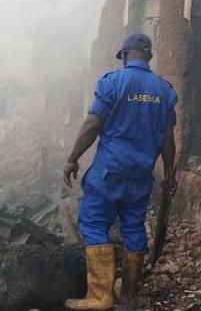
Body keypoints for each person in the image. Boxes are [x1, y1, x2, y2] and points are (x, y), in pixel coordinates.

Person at [63, 33, 178, 310]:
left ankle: (100, 296)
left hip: (109, 173)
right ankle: (127, 293)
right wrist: (170, 173)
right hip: (140, 176)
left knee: (93, 223)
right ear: (148, 56)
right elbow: (168, 138)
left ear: (125, 55)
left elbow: (92, 125)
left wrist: (73, 158)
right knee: (133, 227)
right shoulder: (164, 91)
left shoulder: (112, 83)